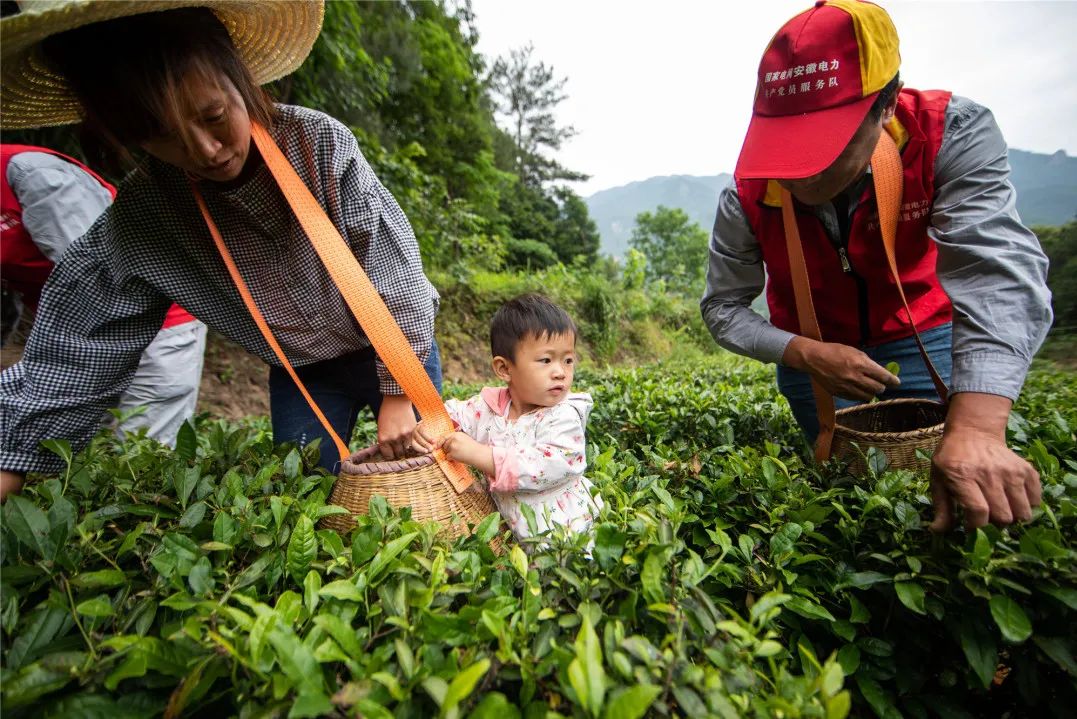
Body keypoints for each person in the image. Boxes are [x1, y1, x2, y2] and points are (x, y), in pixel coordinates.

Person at [0, 1, 441, 501]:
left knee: (426, 474)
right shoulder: (148, 214)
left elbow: (395, 267)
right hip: (303, 372)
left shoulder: (317, 144)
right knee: (305, 488)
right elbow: (79, 343)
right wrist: (13, 456)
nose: (206, 150)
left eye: (214, 116)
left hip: (392, 349)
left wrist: (399, 391)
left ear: (241, 81)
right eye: (164, 137)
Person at [700, 0, 1053, 532]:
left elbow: (997, 273)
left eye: (823, 145)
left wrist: (978, 428)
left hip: (926, 336)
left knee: (947, 497)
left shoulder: (947, 134)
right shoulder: (746, 194)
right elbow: (723, 306)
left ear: (885, 105)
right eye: (785, 143)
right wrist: (803, 352)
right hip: (812, 361)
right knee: (848, 506)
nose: (799, 173)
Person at [1, 143, 207, 447]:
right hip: (57, 325)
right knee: (41, 445)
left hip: (150, 321)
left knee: (139, 451)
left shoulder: (32, 174)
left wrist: (62, 373)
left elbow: (101, 276)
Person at [411, 294, 602, 542]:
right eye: (546, 360)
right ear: (504, 369)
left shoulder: (564, 414)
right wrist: (427, 425)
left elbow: (549, 465)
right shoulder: (490, 408)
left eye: (568, 361)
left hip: (565, 535)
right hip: (512, 532)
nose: (560, 373)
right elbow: (453, 413)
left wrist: (481, 455)